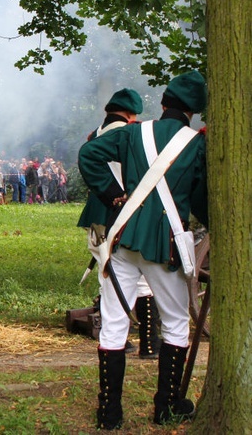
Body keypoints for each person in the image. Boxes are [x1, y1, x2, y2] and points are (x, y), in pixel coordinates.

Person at [78, 71, 208, 429]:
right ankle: (166, 407)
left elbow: (89, 153)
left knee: (114, 327)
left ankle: (109, 413)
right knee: (177, 324)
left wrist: (110, 195)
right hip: (163, 246)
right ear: (194, 112)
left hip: (122, 238)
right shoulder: (197, 144)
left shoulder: (134, 132)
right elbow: (199, 199)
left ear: (164, 102)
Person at [77, 89, 161, 360]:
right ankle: (150, 344)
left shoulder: (94, 135)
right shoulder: (134, 134)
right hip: (127, 210)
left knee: (108, 274)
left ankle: (118, 339)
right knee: (143, 277)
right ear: (130, 114)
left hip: (98, 215)